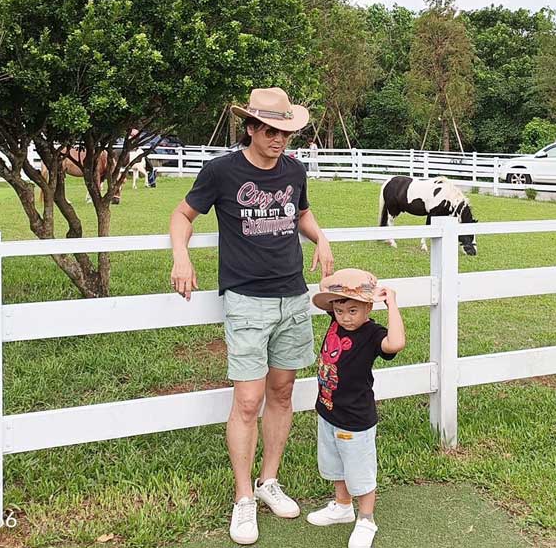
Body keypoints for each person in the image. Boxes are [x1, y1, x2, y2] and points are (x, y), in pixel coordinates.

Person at [169, 87, 335, 545]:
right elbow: (182, 215)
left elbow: (300, 213)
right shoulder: (222, 171)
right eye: (270, 130)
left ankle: (268, 482)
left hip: (292, 297)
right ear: (250, 128)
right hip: (245, 300)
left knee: (282, 394)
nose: (279, 139)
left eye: (285, 131)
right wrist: (181, 257)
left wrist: (319, 238)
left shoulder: (294, 170)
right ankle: (243, 498)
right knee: (247, 400)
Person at [306, 269, 406, 548]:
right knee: (335, 465)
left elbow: (396, 343)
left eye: (353, 310)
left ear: (368, 307)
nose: (346, 317)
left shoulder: (372, 333)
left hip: (356, 420)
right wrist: (333, 283)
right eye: (340, 310)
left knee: (359, 471)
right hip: (328, 411)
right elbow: (328, 295)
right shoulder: (337, 320)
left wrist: (392, 304)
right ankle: (342, 507)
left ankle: (366, 519)